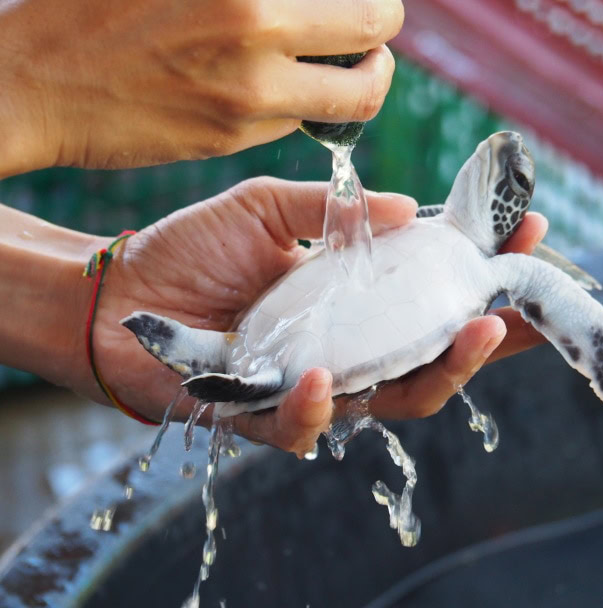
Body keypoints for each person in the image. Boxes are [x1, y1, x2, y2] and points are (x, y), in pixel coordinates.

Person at [0, 0, 546, 456]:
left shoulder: (459, 243)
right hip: (312, 329)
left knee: (274, 376)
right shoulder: (460, 244)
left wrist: (90, 304)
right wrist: (30, 86)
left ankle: (238, 367)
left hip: (299, 334)